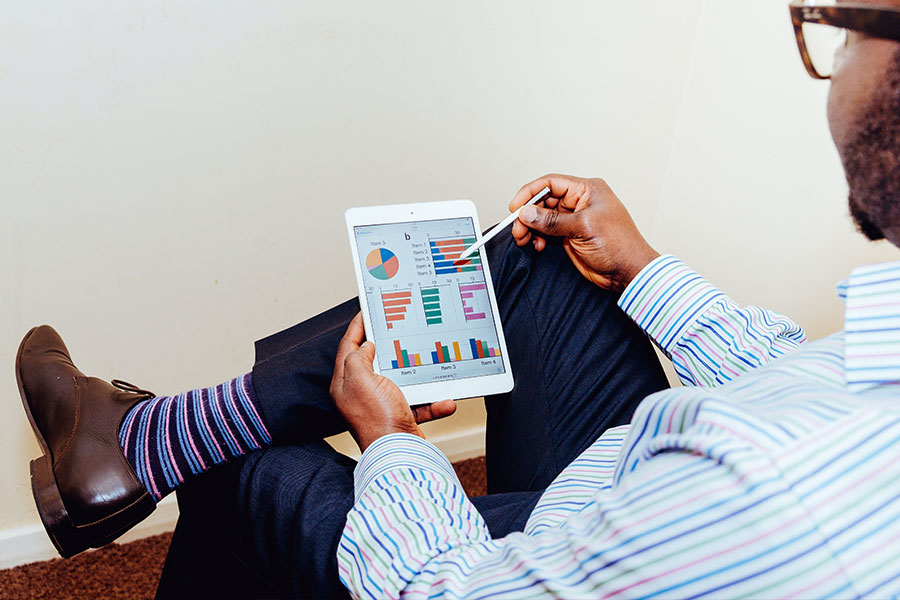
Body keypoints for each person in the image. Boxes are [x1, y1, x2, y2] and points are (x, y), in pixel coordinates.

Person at [14, 0, 900, 597]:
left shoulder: (780, 489)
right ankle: (133, 445)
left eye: (844, 28)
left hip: (545, 553)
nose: (836, 64)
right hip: (628, 488)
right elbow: (795, 378)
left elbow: (446, 589)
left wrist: (393, 444)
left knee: (250, 468)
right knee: (540, 257)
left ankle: (149, 444)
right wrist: (640, 266)